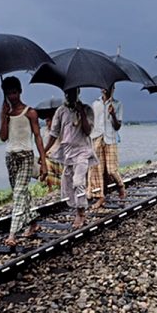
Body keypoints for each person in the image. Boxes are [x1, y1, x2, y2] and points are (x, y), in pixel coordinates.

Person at [0, 76, 48, 247]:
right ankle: (33, 223)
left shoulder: (30, 112)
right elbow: (3, 137)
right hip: (10, 156)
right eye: (8, 93)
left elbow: (38, 137)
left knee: (19, 192)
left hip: (26, 156)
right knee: (21, 192)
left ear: (20, 91)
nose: (12, 96)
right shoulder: (6, 112)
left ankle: (12, 234)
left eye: (14, 92)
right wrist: (4, 117)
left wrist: (43, 162)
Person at [44, 87, 96, 229]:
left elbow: (88, 130)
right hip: (67, 153)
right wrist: (44, 151)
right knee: (68, 184)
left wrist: (81, 113)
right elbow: (54, 133)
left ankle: (81, 213)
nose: (70, 95)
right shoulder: (61, 111)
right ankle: (78, 208)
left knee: (79, 181)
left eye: (73, 92)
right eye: (67, 92)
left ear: (78, 92)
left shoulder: (87, 109)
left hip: (82, 151)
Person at [88, 85, 126, 209]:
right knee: (97, 170)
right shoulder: (95, 104)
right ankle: (100, 197)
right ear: (101, 89)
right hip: (97, 138)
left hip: (110, 138)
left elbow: (117, 126)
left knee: (111, 169)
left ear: (113, 89)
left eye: (108, 88)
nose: (105, 90)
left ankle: (120, 185)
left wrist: (113, 114)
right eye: (103, 88)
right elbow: (92, 123)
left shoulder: (118, 104)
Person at [41, 115, 64, 192]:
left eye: (50, 121)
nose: (48, 123)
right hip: (49, 158)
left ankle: (62, 184)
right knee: (46, 164)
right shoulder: (44, 132)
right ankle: (51, 188)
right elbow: (44, 147)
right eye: (47, 121)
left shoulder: (60, 131)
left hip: (60, 160)